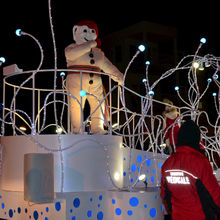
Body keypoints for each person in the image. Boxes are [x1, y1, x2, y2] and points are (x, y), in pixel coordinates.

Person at [65, 20, 123, 134]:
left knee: (98, 104)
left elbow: (107, 65)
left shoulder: (98, 53)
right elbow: (71, 55)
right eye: (85, 31)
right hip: (77, 80)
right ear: (76, 31)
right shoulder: (71, 48)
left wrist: (117, 75)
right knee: (76, 105)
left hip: (96, 81)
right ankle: (78, 129)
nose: (88, 34)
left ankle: (97, 128)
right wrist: (88, 45)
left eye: (92, 31)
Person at [161, 119, 220, 220]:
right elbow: (214, 196)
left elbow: (166, 196)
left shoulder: (167, 164)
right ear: (195, 138)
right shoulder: (200, 162)